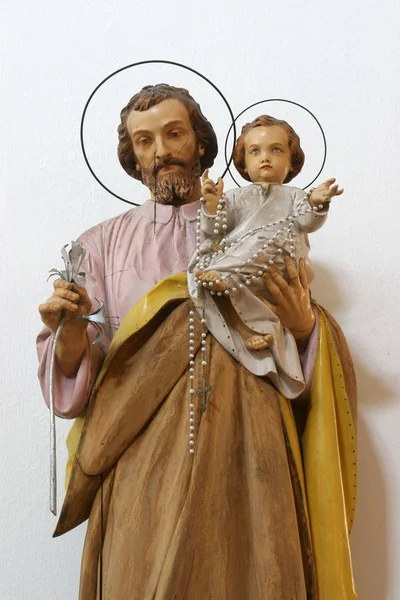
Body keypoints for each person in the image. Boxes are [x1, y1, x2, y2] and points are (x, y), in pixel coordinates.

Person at [37, 84, 357, 599]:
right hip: (143, 455)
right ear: (132, 156)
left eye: (173, 133)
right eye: (144, 141)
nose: (160, 151)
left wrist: (305, 328)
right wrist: (69, 331)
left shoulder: (258, 225)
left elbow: (293, 339)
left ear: (202, 143)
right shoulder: (96, 246)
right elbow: (76, 384)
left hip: (251, 447)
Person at [188, 115, 343, 399]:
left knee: (231, 266)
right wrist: (211, 205)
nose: (265, 158)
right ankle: (242, 330)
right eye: (255, 151)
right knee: (208, 271)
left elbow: (307, 220)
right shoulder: (235, 197)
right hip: (243, 269)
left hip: (279, 265)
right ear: (243, 162)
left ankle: (226, 280)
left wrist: (318, 202)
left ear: (291, 161)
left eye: (276, 150)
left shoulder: (295, 196)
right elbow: (218, 230)